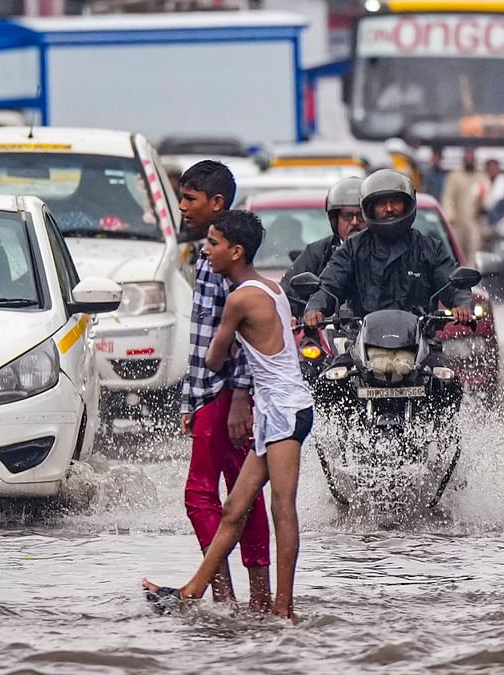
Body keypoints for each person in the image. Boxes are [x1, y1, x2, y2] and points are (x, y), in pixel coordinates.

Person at [144, 210, 314, 622]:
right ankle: (191, 590)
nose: (206, 249)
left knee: (282, 509)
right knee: (235, 509)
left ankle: (283, 609)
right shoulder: (270, 287)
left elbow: (213, 358)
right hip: (279, 410)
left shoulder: (239, 298)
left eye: (214, 244)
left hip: (286, 411)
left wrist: (224, 333)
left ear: (236, 252)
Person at [176, 160, 272, 612]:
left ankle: (227, 596)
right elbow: (202, 336)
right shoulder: (206, 254)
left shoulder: (224, 259)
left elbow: (245, 339)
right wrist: (189, 399)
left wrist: (238, 397)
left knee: (204, 494)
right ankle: (250, 599)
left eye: (190, 198)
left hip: (225, 394)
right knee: (239, 495)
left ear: (216, 204)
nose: (182, 207)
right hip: (207, 393)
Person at [302, 169, 474, 327]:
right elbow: (331, 283)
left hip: (420, 342)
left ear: (408, 205)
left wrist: (463, 304)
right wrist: (316, 308)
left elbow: (451, 282)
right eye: (382, 203)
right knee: (338, 362)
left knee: (441, 363)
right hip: (362, 344)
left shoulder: (430, 248)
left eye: (396, 202)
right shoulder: (352, 248)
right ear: (370, 208)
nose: (389, 208)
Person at [280, 176, 364, 315]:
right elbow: (287, 296)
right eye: (347, 216)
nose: (355, 222)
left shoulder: (385, 250)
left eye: (361, 215)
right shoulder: (317, 252)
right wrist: (298, 315)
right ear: (334, 219)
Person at [441, 148, 487, 265]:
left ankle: (473, 275)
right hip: (457, 221)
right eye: (467, 158)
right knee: (457, 251)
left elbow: (486, 195)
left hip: (474, 221)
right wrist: (450, 216)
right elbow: (448, 197)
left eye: (471, 158)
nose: (469, 161)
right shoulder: (455, 176)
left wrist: (483, 210)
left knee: (474, 249)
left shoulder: (481, 177)